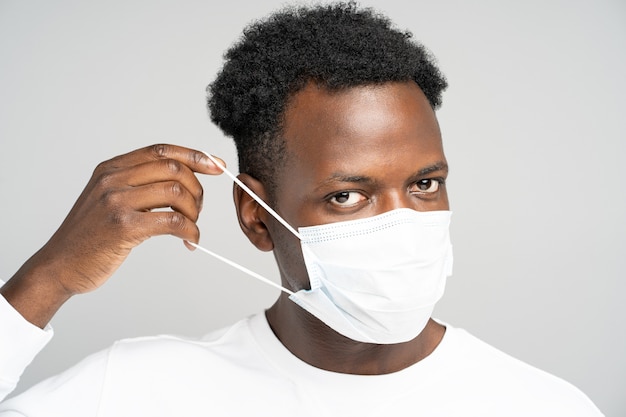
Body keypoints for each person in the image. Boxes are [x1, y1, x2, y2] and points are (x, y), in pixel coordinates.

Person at [0, 2, 603, 415]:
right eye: (347, 196)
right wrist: (45, 280)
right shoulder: (132, 392)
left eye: (425, 185)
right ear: (256, 216)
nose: (403, 225)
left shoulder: (541, 405)